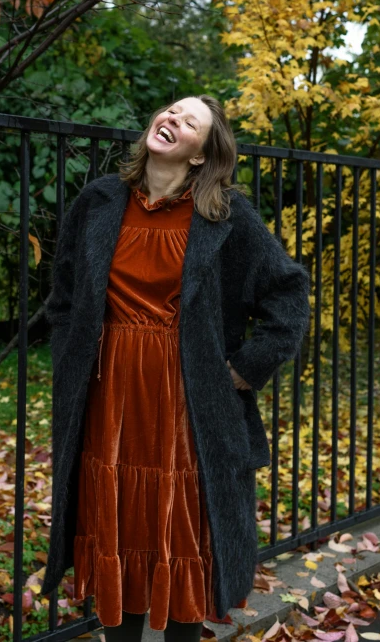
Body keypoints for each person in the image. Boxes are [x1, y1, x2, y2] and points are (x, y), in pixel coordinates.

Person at [41, 94, 311, 642]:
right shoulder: (99, 201)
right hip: (108, 390)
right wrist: (70, 356)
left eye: (190, 123)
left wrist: (245, 368)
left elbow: (289, 294)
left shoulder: (226, 216)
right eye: (170, 111)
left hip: (186, 397)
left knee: (180, 527)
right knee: (116, 519)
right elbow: (64, 295)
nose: (172, 120)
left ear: (199, 154)